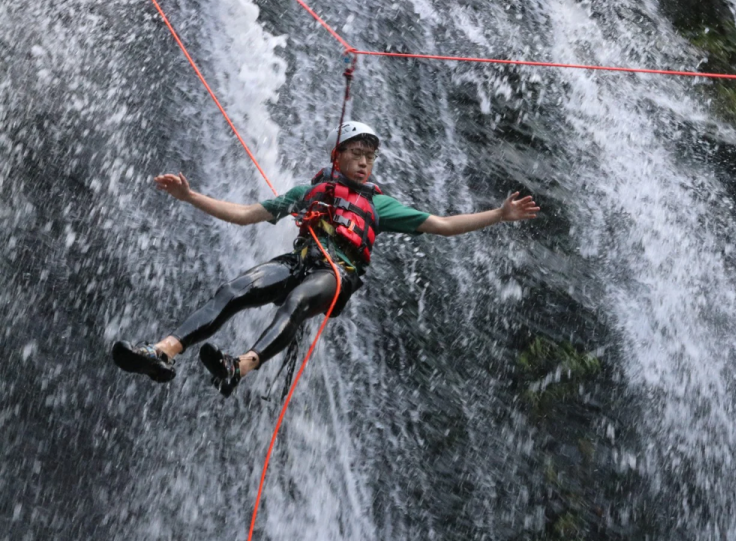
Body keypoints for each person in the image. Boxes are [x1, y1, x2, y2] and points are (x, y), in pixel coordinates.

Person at [112, 121, 540, 396]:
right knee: (235, 289)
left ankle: (239, 367)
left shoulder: (380, 206)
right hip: (299, 260)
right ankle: (163, 352)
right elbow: (244, 216)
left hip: (339, 275)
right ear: (338, 155)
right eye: (357, 154)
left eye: (370, 158)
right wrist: (189, 196)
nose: (365, 163)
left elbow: (443, 225)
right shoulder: (305, 193)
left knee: (296, 303)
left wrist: (499, 215)